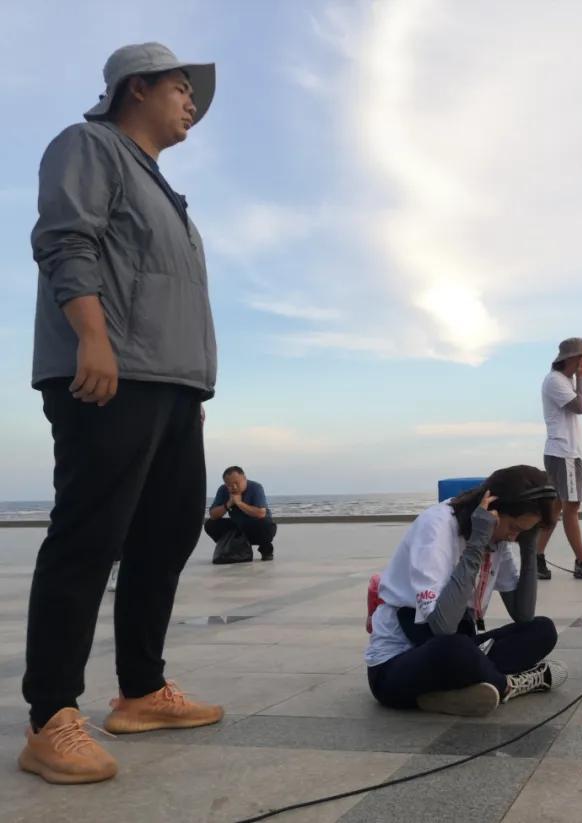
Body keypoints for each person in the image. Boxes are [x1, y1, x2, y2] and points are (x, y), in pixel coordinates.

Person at [20, 43, 223, 785]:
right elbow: (65, 238)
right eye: (180, 87)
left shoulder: (161, 186)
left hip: (168, 386)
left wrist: (189, 395)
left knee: (164, 538)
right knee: (88, 535)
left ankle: (140, 691)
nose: (190, 101)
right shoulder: (89, 145)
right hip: (110, 371)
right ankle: (50, 716)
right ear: (136, 89)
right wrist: (92, 337)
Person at [365, 466, 568, 717]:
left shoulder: (499, 537)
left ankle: (452, 693)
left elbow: (523, 614)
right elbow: (443, 627)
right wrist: (476, 544)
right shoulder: (437, 526)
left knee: (542, 630)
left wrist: (529, 548)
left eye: (523, 532)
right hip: (394, 668)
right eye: (514, 528)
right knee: (456, 649)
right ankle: (510, 685)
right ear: (493, 510)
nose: (513, 537)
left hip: (456, 651)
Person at [536, 338, 582, 580]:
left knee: (556, 507)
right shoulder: (556, 381)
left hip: (567, 452)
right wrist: (580, 380)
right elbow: (579, 407)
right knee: (572, 507)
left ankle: (535, 558)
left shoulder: (562, 380)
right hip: (564, 453)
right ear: (569, 359)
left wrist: (576, 379)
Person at [205, 466, 277, 561]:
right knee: (210, 524)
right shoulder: (223, 490)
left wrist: (239, 503)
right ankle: (232, 547)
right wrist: (228, 504)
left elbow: (261, 513)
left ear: (244, 479)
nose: (234, 487)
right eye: (229, 485)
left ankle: (266, 549)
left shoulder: (255, 487)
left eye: (236, 483)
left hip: (255, 525)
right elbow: (213, 515)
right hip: (237, 525)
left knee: (266, 525)